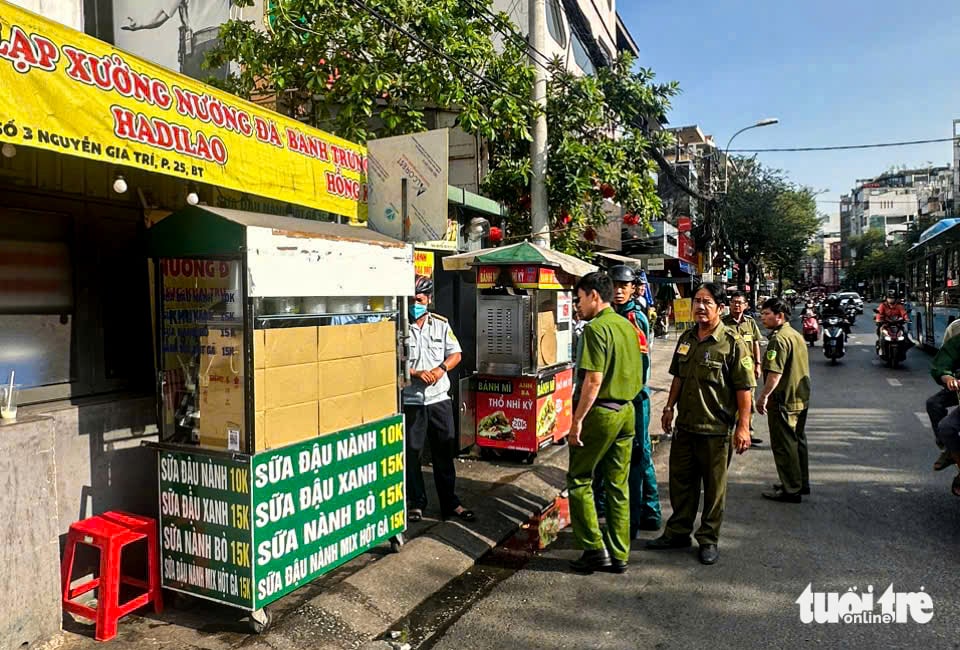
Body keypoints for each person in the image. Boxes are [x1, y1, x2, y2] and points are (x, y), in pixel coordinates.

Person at [647, 283, 755, 566]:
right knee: (681, 483)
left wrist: (743, 427)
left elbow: (744, 389)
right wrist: (669, 407)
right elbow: (678, 377)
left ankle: (708, 538)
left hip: (716, 431)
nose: (700, 307)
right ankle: (679, 531)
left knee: (714, 489)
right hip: (686, 427)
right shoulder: (687, 338)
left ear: (720, 307)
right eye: (697, 301)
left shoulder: (732, 343)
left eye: (707, 302)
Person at [566, 272, 644, 573]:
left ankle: (593, 549)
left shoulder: (595, 329)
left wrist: (577, 421)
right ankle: (620, 553)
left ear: (594, 296)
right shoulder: (627, 326)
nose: (578, 304)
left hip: (601, 412)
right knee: (617, 484)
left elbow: (593, 380)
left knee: (579, 478)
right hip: (627, 412)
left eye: (580, 298)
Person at [403, 276, 474, 522]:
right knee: (412, 453)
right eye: (411, 300)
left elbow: (456, 353)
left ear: (429, 300)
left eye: (419, 300)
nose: (415, 305)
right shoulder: (399, 327)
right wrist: (414, 373)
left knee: (444, 451)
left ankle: (450, 503)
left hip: (439, 399)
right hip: (411, 400)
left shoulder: (441, 325)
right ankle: (416, 502)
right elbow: (391, 359)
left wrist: (440, 369)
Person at [608, 265, 662, 536]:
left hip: (635, 397)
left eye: (623, 286)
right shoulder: (612, 313)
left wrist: (630, 392)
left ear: (632, 288)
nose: (618, 290)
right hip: (618, 398)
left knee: (640, 454)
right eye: (614, 285)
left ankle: (649, 511)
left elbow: (641, 363)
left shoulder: (633, 316)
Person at [756, 297, 812, 503]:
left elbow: (774, 374)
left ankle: (791, 488)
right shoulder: (795, 335)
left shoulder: (778, 339)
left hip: (784, 399)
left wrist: (763, 396)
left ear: (779, 316)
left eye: (766, 314)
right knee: (798, 441)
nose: (763, 318)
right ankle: (800, 482)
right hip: (800, 398)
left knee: (784, 444)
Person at [121, 0, 230, 80]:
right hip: (222, 43)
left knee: (194, 98)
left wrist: (138, 23)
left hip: (198, 47)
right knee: (221, 97)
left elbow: (160, 16)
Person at [723, 291, 764, 447]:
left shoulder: (750, 322)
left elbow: (755, 343)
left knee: (749, 402)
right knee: (729, 400)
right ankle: (729, 431)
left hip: (747, 369)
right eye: (733, 302)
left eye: (740, 302)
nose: (736, 305)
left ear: (746, 305)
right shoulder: (723, 323)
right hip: (729, 369)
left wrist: (758, 364)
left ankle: (747, 430)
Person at [927, 332, 960, 486]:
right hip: (957, 389)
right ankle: (950, 451)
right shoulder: (957, 340)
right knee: (945, 426)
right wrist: (949, 379)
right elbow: (941, 366)